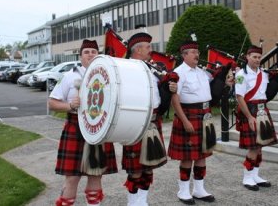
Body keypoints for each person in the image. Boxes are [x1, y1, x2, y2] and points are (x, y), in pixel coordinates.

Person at [49, 39, 118, 206]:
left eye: (94, 52)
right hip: (75, 126)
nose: (90, 54)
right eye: (86, 52)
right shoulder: (69, 76)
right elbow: (52, 103)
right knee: (72, 177)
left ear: (98, 55)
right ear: (80, 56)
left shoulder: (107, 76)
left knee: (96, 174)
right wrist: (70, 105)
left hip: (99, 129)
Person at [168, 40, 231, 205]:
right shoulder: (179, 72)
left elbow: (211, 90)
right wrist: (184, 120)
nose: (197, 55)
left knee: (202, 155)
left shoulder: (202, 72)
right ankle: (183, 190)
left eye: (197, 52)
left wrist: (226, 83)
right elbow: (175, 99)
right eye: (193, 52)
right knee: (188, 157)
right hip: (189, 114)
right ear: (184, 55)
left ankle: (199, 189)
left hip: (204, 115)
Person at [122, 32, 178, 206]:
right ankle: (133, 202)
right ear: (137, 50)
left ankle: (142, 201)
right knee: (135, 168)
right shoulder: (125, 68)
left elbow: (159, 92)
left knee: (149, 165)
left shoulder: (152, 67)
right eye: (148, 47)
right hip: (136, 121)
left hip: (154, 120)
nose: (151, 51)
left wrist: (170, 88)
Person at [234, 45, 278, 191]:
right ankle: (247, 177)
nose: (257, 60)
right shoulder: (241, 75)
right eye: (254, 57)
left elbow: (263, 92)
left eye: (259, 57)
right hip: (250, 110)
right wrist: (249, 117)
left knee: (260, 145)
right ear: (247, 57)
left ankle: (255, 175)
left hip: (262, 110)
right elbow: (240, 97)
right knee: (253, 147)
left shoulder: (264, 74)